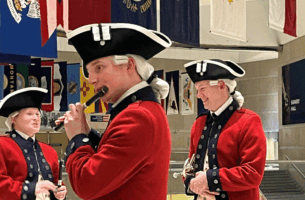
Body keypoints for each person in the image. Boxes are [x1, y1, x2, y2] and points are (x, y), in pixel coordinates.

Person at [54, 23, 172, 199]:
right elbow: (115, 159)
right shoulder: (141, 110)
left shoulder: (138, 116)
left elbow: (87, 183)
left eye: (99, 67)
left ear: (129, 65)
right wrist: (87, 133)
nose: (92, 80)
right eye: (89, 72)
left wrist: (78, 138)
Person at [182, 59, 267, 200]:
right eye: (197, 90)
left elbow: (253, 173)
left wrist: (209, 179)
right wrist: (192, 183)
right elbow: (190, 167)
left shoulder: (248, 121)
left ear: (221, 85)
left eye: (202, 89)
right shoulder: (199, 123)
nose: (198, 95)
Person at [0, 87, 67, 200]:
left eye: (37, 114)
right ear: (13, 119)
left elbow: (56, 182)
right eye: (29, 114)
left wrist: (60, 192)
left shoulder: (49, 151)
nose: (36, 118)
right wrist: (30, 189)